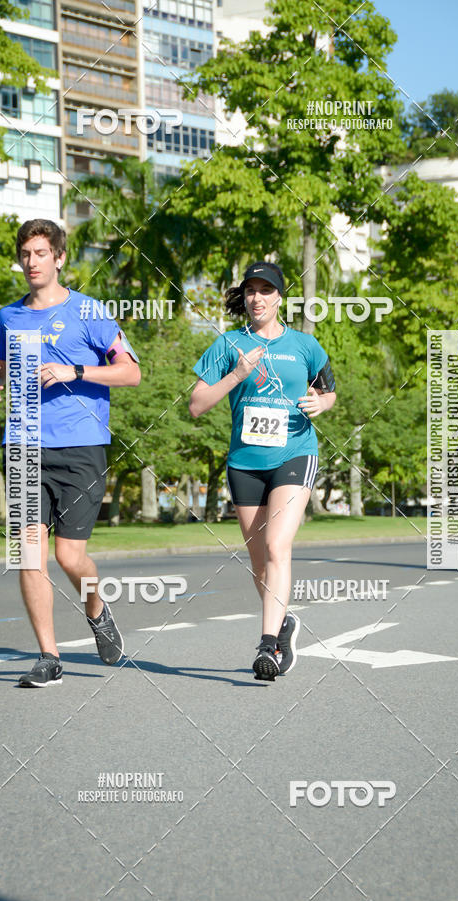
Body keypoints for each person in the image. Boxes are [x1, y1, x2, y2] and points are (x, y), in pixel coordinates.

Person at [0, 219, 141, 687]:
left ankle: (96, 608)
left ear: (59, 258)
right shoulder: (9, 317)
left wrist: (76, 371)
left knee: (70, 557)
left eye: (41, 253)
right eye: (26, 254)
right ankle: (48, 655)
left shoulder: (90, 312)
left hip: (82, 445)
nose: (32, 262)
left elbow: (130, 374)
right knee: (27, 553)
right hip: (24, 444)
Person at [189, 262, 336, 681]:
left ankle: (267, 645)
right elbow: (196, 406)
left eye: (266, 290)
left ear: (279, 297)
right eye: (250, 290)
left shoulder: (306, 346)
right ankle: (284, 623)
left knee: (276, 546)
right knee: (259, 562)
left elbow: (329, 392)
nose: (257, 297)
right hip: (245, 464)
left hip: (295, 453)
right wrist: (236, 374)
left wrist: (321, 404)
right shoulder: (227, 344)